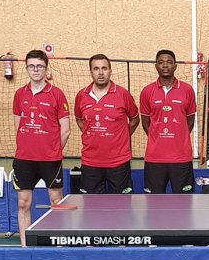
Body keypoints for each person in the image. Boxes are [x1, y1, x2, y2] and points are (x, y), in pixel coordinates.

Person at [12, 49, 70, 246]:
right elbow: (18, 126)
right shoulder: (20, 94)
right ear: (26, 68)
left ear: (46, 68)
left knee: (56, 202)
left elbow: (66, 130)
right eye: (31, 66)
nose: (36, 70)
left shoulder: (57, 94)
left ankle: (59, 244)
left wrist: (53, 151)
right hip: (24, 159)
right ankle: (25, 246)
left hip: (50, 160)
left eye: (40, 66)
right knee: (23, 203)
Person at [74, 54, 139, 194]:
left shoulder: (123, 94)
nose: (100, 73)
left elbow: (134, 119)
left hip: (119, 162)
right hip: (90, 162)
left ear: (110, 70)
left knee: (122, 204)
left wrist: (122, 136)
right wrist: (92, 134)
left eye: (104, 68)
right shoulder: (81, 95)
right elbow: (79, 119)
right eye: (96, 68)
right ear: (91, 71)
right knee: (91, 205)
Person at [139, 50, 197, 194]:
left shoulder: (187, 90)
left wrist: (179, 135)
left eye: (169, 62)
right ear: (156, 66)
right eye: (161, 62)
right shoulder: (147, 91)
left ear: (175, 66)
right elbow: (146, 123)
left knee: (184, 202)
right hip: (155, 158)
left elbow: (190, 121)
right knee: (154, 202)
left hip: (181, 158)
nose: (165, 65)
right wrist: (157, 137)